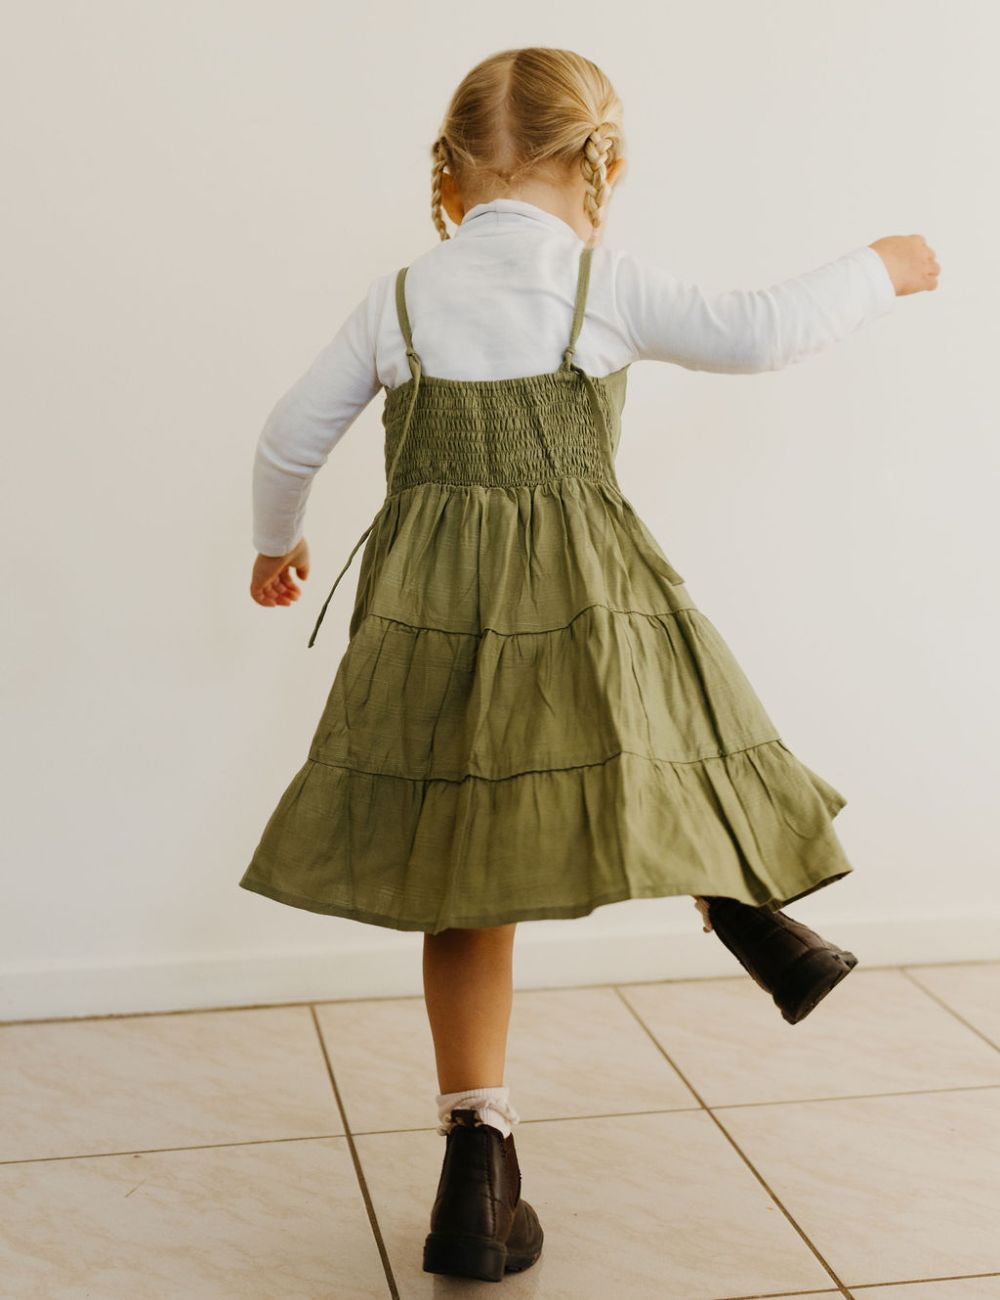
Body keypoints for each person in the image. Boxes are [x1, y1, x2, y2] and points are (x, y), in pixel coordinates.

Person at [239, 46, 940, 1282]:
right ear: (596, 165)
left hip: (434, 610)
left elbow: (289, 434)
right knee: (662, 730)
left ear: (451, 172)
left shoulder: (398, 299)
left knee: (469, 872)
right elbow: (762, 331)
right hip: (587, 591)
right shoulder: (596, 281)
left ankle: (478, 1157)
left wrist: (276, 546)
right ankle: (740, 904)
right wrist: (881, 268)